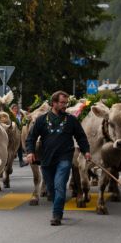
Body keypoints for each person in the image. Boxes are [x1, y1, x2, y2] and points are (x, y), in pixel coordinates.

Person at [25, 91, 91, 226]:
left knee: (60, 186)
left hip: (65, 158)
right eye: (62, 103)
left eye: (66, 103)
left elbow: (81, 137)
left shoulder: (71, 120)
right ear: (53, 103)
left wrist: (86, 151)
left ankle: (56, 215)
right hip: (47, 159)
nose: (64, 105)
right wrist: (30, 152)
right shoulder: (42, 120)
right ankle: (58, 208)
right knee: (51, 189)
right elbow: (31, 138)